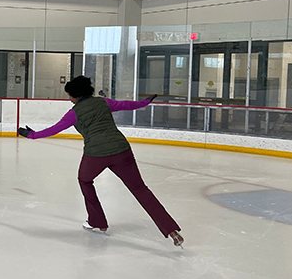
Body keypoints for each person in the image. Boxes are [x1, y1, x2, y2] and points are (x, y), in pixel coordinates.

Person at [18, 76, 184, 248]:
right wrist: (144, 102)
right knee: (140, 189)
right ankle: (172, 231)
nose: (69, 99)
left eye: (69, 96)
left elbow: (54, 129)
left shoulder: (74, 113)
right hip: (122, 150)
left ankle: (98, 222)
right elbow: (126, 105)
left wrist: (31, 135)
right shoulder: (103, 102)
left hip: (96, 154)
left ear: (76, 95)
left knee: (84, 180)